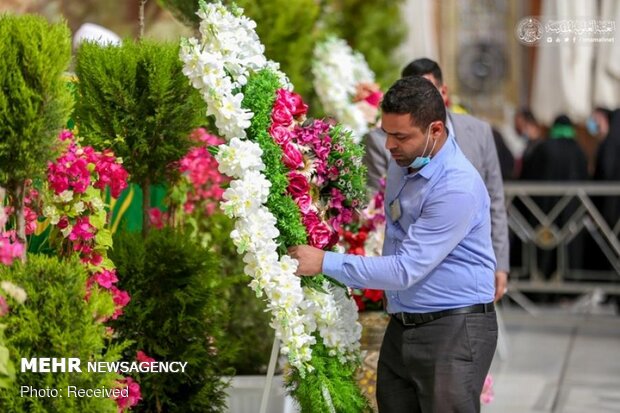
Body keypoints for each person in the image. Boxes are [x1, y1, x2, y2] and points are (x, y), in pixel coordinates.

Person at [290, 76, 497, 413]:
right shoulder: (404, 162)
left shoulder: (456, 187)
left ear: (435, 131)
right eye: (387, 133)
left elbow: (404, 269)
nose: (390, 146)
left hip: (453, 330)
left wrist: (324, 262)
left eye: (401, 136)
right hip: (404, 324)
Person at [363, 57, 508, 302]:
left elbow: (495, 199)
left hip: (468, 273)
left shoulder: (479, 132)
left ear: (443, 92)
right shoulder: (384, 143)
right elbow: (375, 205)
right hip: (415, 272)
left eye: (428, 92)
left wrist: (500, 262)